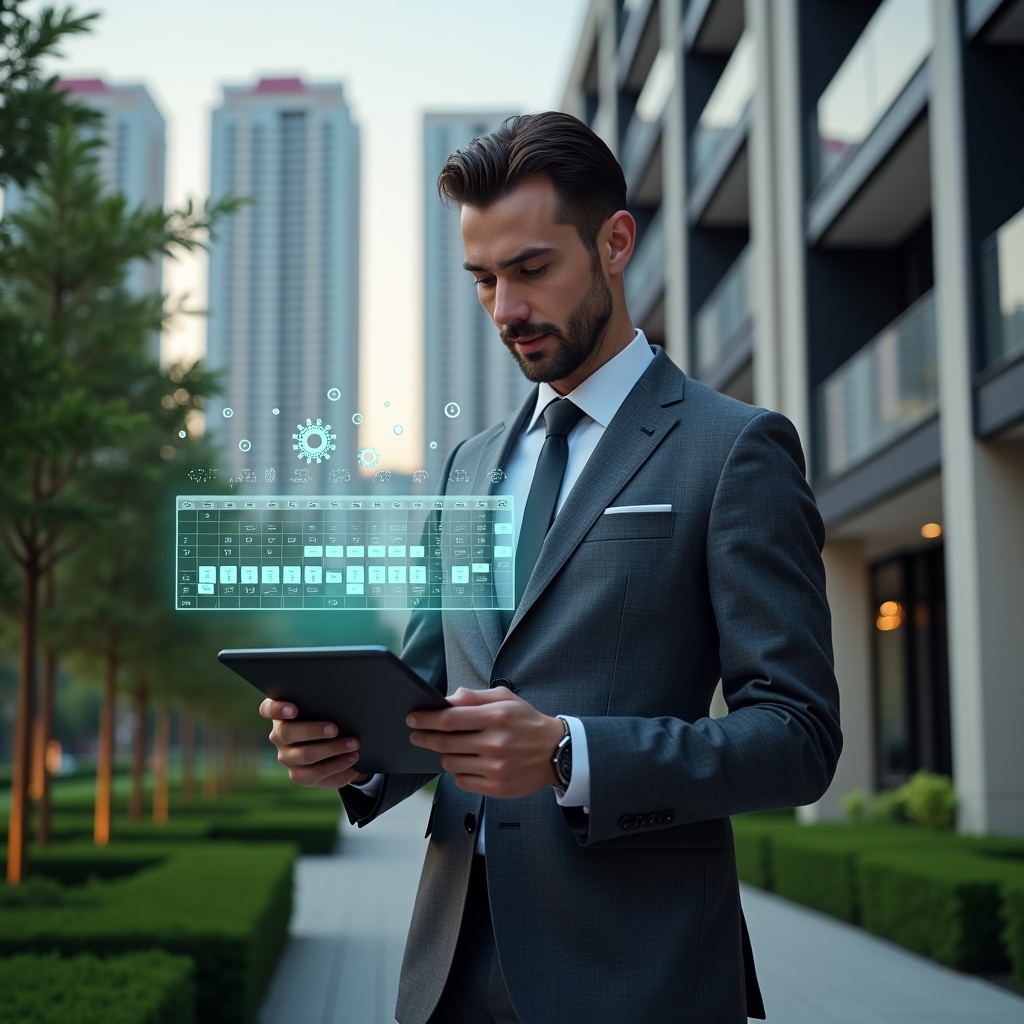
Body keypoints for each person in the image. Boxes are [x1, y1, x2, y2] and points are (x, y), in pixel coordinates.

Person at [261, 111, 842, 1024]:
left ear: (615, 243)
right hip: (449, 965)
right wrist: (351, 755)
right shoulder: (466, 467)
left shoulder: (735, 449)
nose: (506, 309)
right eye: (483, 279)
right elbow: (431, 691)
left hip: (638, 971)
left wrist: (570, 752)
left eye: (531, 270)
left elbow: (799, 737)